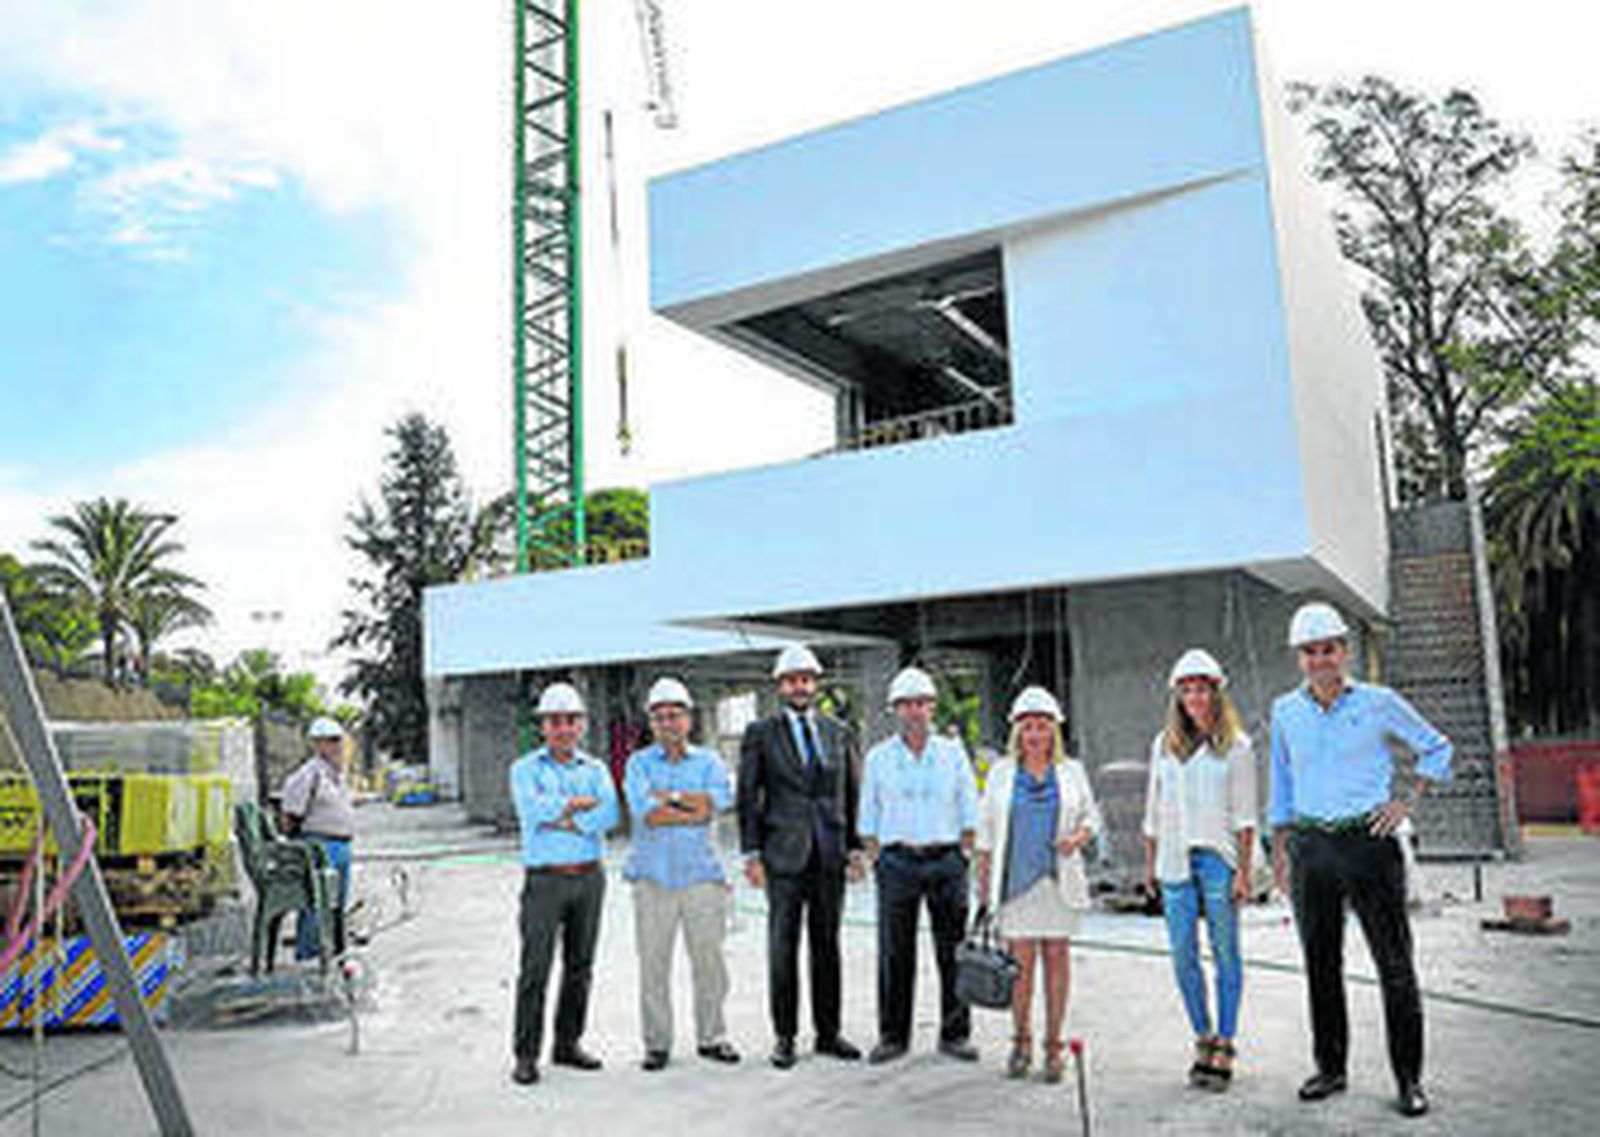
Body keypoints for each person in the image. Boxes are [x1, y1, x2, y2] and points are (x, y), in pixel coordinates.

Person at [1269, 602, 1452, 1119]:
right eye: (1310, 651)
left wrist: (1406, 803)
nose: (1320, 659)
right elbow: (1281, 783)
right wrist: (1280, 851)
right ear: (1298, 658)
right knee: (1320, 966)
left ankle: (1409, 1080)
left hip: (1369, 844)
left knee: (1395, 966)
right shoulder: (1285, 711)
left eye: (1328, 649)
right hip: (1311, 848)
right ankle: (1331, 1069)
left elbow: (1437, 749)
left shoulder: (1378, 702)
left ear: (1344, 651)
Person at [737, 644, 864, 1069]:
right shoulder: (761, 733)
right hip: (783, 855)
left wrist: (856, 847)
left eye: (806, 679)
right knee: (783, 947)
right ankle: (785, 1037)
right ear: (780, 685)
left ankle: (828, 1033)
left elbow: (851, 792)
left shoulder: (837, 730)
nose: (800, 686)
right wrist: (752, 853)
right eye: (792, 679)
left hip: (829, 853)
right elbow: (747, 796)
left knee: (827, 946)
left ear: (816, 683)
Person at [1141, 649, 1256, 1091]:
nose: (1195, 696)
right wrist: (1150, 866)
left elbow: (1246, 817)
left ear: (1216, 690)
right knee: (1183, 956)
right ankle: (1202, 1036)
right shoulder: (1163, 746)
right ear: (1178, 694)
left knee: (1226, 953)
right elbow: (1154, 809)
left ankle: (1226, 1040)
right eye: (1187, 688)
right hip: (1173, 862)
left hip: (1218, 862)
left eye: (1202, 687)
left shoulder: (1237, 746)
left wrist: (1244, 872)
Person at [975, 686, 1101, 1083]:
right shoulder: (1000, 773)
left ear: (1054, 731)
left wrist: (1078, 839)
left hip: (1057, 881)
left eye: (1043, 726)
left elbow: (1091, 819)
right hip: (1014, 885)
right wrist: (983, 893)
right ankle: (1021, 1041)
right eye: (1028, 727)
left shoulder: (1072, 771)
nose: (1035, 735)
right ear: (1017, 732)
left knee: (1057, 962)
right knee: (1021, 969)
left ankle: (1053, 1047)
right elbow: (984, 837)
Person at [858, 665, 980, 1065]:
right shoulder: (878, 757)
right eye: (906, 704)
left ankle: (955, 1034)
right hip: (897, 863)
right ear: (895, 709)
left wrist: (966, 851)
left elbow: (969, 806)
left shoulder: (952, 753)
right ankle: (893, 1036)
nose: (914, 710)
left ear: (933, 707)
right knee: (895, 952)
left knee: (954, 953)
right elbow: (868, 813)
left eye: (921, 703)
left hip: (946, 861)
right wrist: (874, 854)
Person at [622, 677, 740, 1071]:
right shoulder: (638, 763)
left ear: (689, 719)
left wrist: (668, 799)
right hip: (652, 880)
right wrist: (689, 804)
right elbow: (646, 814)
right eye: (660, 717)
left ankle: (712, 1036)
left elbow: (715, 805)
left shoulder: (709, 761)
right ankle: (657, 1044)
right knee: (653, 965)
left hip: (702, 878)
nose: (668, 723)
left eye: (675, 715)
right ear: (650, 724)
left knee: (710, 964)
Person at [509, 681, 620, 1086]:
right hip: (545, 882)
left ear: (581, 725)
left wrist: (561, 817)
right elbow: (530, 809)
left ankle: (567, 1043)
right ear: (543, 726)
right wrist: (575, 807)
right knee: (535, 969)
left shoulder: (597, 770)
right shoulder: (523, 769)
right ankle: (525, 1054)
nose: (563, 728)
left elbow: (608, 815)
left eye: (571, 720)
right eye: (554, 721)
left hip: (590, 878)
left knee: (580, 967)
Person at [280, 716, 356, 961]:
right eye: (330, 741)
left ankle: (331, 952)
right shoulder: (309, 774)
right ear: (318, 744)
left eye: (338, 741)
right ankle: (308, 955)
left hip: (341, 845)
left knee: (336, 905)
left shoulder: (336, 774)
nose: (336, 746)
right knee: (317, 904)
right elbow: (291, 813)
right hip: (320, 845)